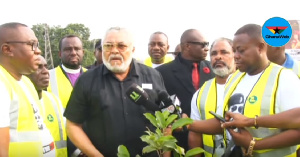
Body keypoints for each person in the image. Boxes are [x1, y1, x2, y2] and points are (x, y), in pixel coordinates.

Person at [188, 23, 300, 157]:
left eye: (241, 50)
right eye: (234, 50)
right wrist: (186, 124)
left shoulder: (284, 77)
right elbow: (225, 122)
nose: (235, 56)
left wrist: (254, 143)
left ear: (260, 47)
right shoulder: (234, 80)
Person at [64, 27, 166, 157]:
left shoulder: (153, 75)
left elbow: (165, 119)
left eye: (121, 46)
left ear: (133, 49)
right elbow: (72, 125)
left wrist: (165, 153)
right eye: (108, 46)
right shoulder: (87, 80)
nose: (114, 51)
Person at [0, 22, 55, 156]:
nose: (38, 51)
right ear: (7, 49)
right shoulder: (2, 83)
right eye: (32, 45)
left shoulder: (26, 82)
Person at [156, 29, 215, 151]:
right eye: (203, 44)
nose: (207, 48)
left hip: (212, 136)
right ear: (187, 46)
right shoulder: (162, 73)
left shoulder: (214, 70)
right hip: (178, 141)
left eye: (207, 44)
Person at [189, 38, 235, 157]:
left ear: (235, 55)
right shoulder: (201, 93)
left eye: (224, 52)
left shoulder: (248, 84)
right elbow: (195, 134)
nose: (218, 57)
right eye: (214, 53)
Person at [27, 55, 67, 157]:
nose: (45, 71)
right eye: (38, 67)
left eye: (46, 66)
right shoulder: (16, 102)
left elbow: (68, 130)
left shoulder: (53, 100)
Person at [48, 34, 87, 109]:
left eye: (77, 49)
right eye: (68, 49)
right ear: (60, 54)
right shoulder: (48, 76)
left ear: (83, 52)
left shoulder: (93, 76)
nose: (73, 53)